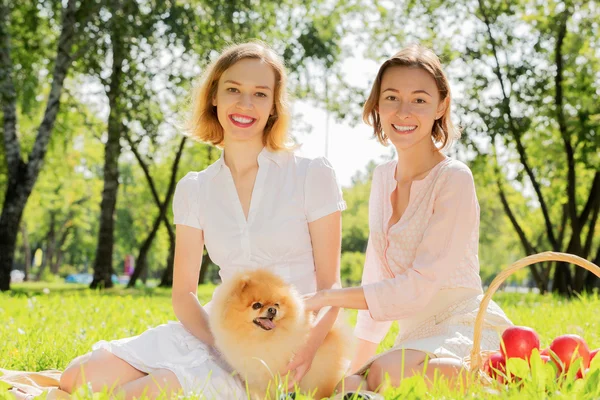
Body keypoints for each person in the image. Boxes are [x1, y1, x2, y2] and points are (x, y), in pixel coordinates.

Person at [58, 41, 347, 399]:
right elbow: (184, 296)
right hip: (217, 332)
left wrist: (303, 353)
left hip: (287, 342)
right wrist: (226, 346)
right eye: (233, 90)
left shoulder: (310, 175)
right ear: (214, 96)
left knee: (143, 393)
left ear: (274, 105)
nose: (245, 104)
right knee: (77, 378)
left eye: (260, 93)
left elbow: (332, 289)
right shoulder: (195, 188)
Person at [303, 44, 513, 394]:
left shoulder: (454, 178)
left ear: (440, 106)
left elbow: (418, 286)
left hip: (464, 325)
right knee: (351, 384)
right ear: (378, 105)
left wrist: (328, 297)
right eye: (391, 98)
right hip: (415, 337)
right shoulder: (383, 177)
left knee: (392, 372)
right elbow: (376, 274)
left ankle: (495, 377)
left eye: (418, 99)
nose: (403, 111)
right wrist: (354, 369)